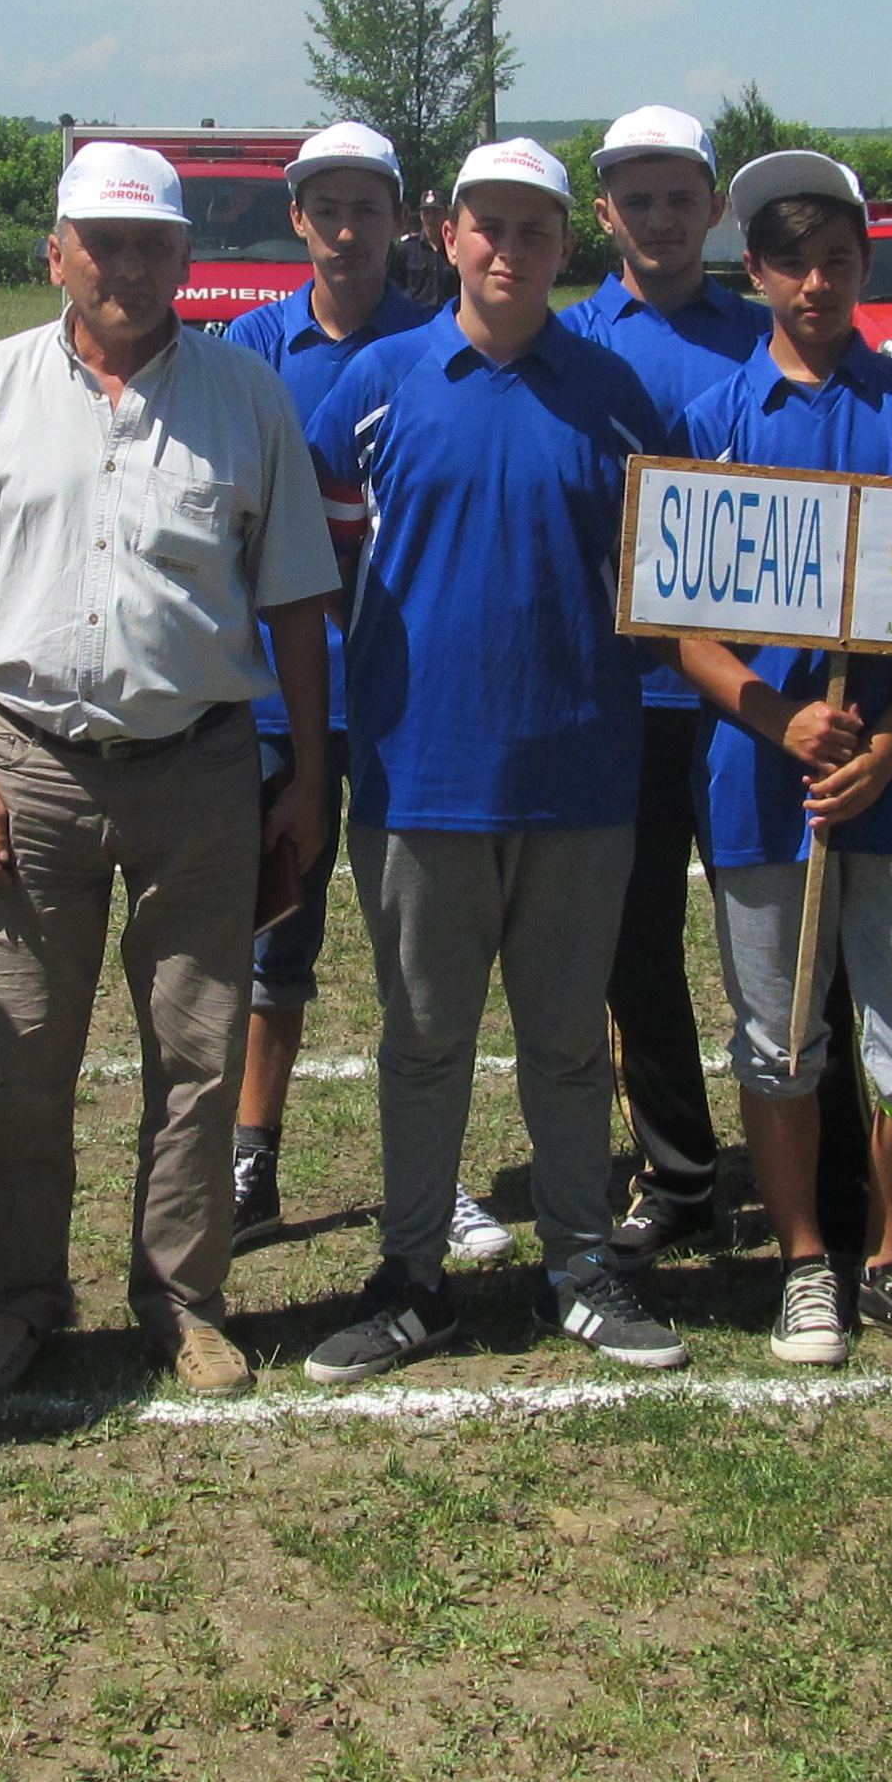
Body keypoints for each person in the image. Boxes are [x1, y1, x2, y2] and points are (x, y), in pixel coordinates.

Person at [0, 144, 339, 1400]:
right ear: (58, 254)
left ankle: (182, 1301)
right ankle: (19, 1300)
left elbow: (296, 603)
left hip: (201, 775)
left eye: (152, 244)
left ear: (185, 258)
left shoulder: (248, 399)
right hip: (32, 773)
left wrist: (308, 776)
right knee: (20, 1059)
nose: (127, 267)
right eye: (103, 243)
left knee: (198, 1058)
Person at [300, 136, 691, 1385]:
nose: (509, 249)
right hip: (420, 777)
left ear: (565, 243)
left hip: (581, 778)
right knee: (423, 1044)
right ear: (448, 233)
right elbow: (325, 570)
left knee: (570, 1045)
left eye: (534, 230)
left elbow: (667, 579)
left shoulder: (620, 394)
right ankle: (413, 1277)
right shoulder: (374, 384)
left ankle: (578, 1263)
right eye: (489, 226)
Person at [671, 150, 892, 1368]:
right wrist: (780, 721)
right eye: (793, 263)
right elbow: (679, 627)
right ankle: (805, 1261)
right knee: (778, 1036)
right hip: (764, 784)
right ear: (754, 272)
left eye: (839, 262)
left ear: (865, 267)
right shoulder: (715, 422)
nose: (817, 284)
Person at [554, 104, 783, 1265]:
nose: (658, 219)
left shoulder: (767, 335)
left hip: (757, 702)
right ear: (605, 212)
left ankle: (810, 1168)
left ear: (716, 208)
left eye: (679, 198)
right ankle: (681, 1173)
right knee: (634, 946)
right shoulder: (567, 343)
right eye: (635, 200)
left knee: (778, 941)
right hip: (627, 705)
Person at [218, 121, 437, 1251]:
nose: (348, 230)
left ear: (400, 219)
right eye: (328, 209)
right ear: (297, 218)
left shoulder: (441, 342)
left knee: (424, 949)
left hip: (408, 697)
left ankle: (433, 1165)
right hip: (274, 693)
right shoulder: (247, 349)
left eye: (368, 208)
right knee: (271, 937)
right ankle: (251, 1161)